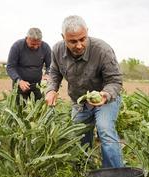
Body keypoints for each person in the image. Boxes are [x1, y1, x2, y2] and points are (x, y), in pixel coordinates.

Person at [45, 15, 123, 168]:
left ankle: (115, 175)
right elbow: (54, 72)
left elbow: (115, 80)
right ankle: (84, 173)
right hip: (79, 101)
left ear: (87, 32)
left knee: (105, 130)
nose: (79, 45)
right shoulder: (57, 50)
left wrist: (105, 95)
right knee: (78, 136)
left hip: (105, 99)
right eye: (73, 41)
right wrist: (51, 89)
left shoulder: (102, 50)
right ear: (63, 38)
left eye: (83, 39)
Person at [6, 27, 51, 103]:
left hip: (38, 86)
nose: (36, 46)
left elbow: (51, 66)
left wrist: (47, 74)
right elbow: (10, 67)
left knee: (39, 110)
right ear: (27, 38)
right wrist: (19, 81)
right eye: (33, 44)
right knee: (20, 110)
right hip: (20, 85)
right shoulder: (17, 46)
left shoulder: (45, 47)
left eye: (38, 44)